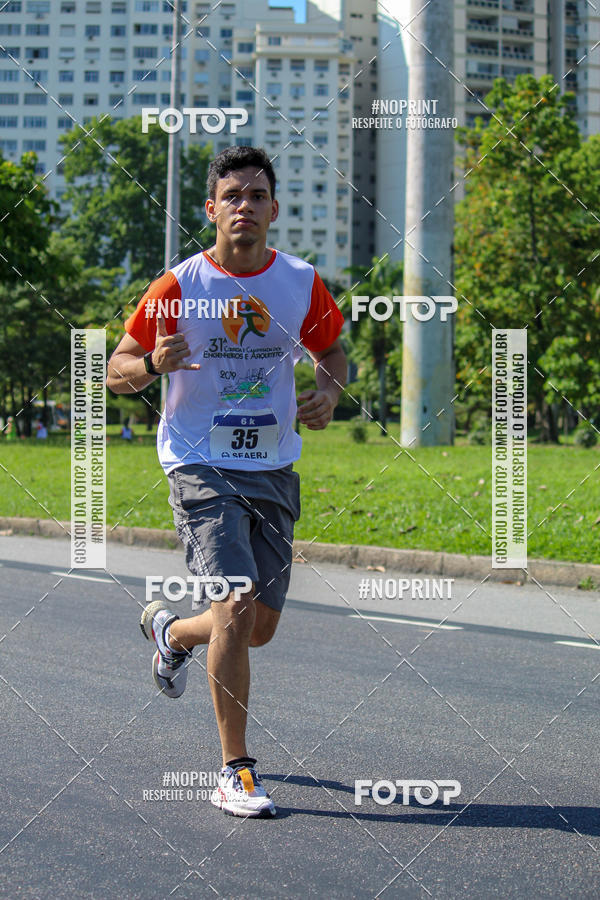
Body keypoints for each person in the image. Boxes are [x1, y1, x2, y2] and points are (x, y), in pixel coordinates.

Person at [106, 146, 346, 818]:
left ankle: (175, 634)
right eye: (232, 196)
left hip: (272, 466)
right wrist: (152, 364)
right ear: (211, 210)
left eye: (257, 195)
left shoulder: (299, 281)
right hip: (199, 464)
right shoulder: (179, 286)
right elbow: (115, 368)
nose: (245, 206)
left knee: (256, 627)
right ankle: (235, 770)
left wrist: (329, 392)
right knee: (236, 605)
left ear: (274, 208)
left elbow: (332, 351)